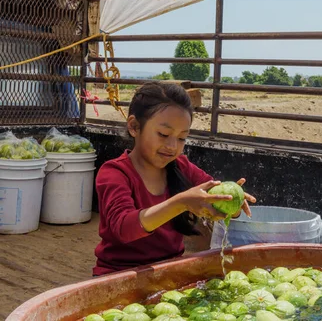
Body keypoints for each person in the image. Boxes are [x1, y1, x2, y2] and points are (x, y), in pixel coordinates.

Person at [93, 81, 256, 276]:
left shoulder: (182, 167)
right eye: (163, 134)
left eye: (181, 138)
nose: (172, 146)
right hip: (118, 276)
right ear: (134, 127)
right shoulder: (114, 173)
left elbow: (211, 194)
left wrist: (232, 205)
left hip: (168, 274)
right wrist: (181, 203)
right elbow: (124, 228)